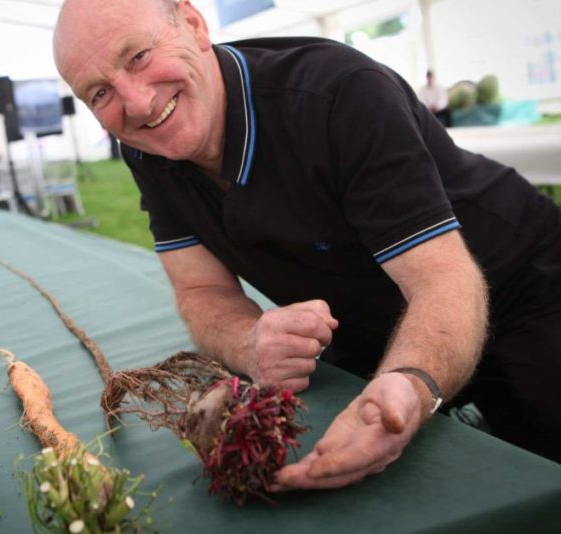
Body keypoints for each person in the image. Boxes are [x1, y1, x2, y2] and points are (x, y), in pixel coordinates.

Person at [53, 0, 561, 488]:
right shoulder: (147, 148)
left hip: (524, 287)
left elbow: (443, 278)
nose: (137, 103)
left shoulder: (338, 93)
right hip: (376, 325)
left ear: (193, 22)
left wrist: (409, 382)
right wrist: (248, 342)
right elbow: (200, 290)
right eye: (99, 93)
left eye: (139, 56)